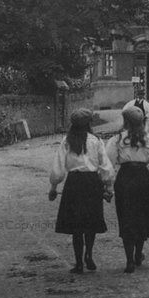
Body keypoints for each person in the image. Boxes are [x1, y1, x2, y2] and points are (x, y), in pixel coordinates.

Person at [49, 108, 115, 274]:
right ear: (88, 124)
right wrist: (108, 186)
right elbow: (105, 165)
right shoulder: (96, 141)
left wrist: (54, 187)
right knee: (90, 223)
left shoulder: (67, 141)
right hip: (92, 184)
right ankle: (89, 256)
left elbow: (58, 167)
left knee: (76, 225)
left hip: (74, 184)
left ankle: (78, 263)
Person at [106, 106, 149, 273]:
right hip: (142, 180)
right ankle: (138, 254)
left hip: (124, 180)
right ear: (142, 122)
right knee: (141, 218)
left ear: (125, 122)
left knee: (126, 219)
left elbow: (109, 165)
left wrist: (108, 187)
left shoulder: (116, 140)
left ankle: (129, 261)